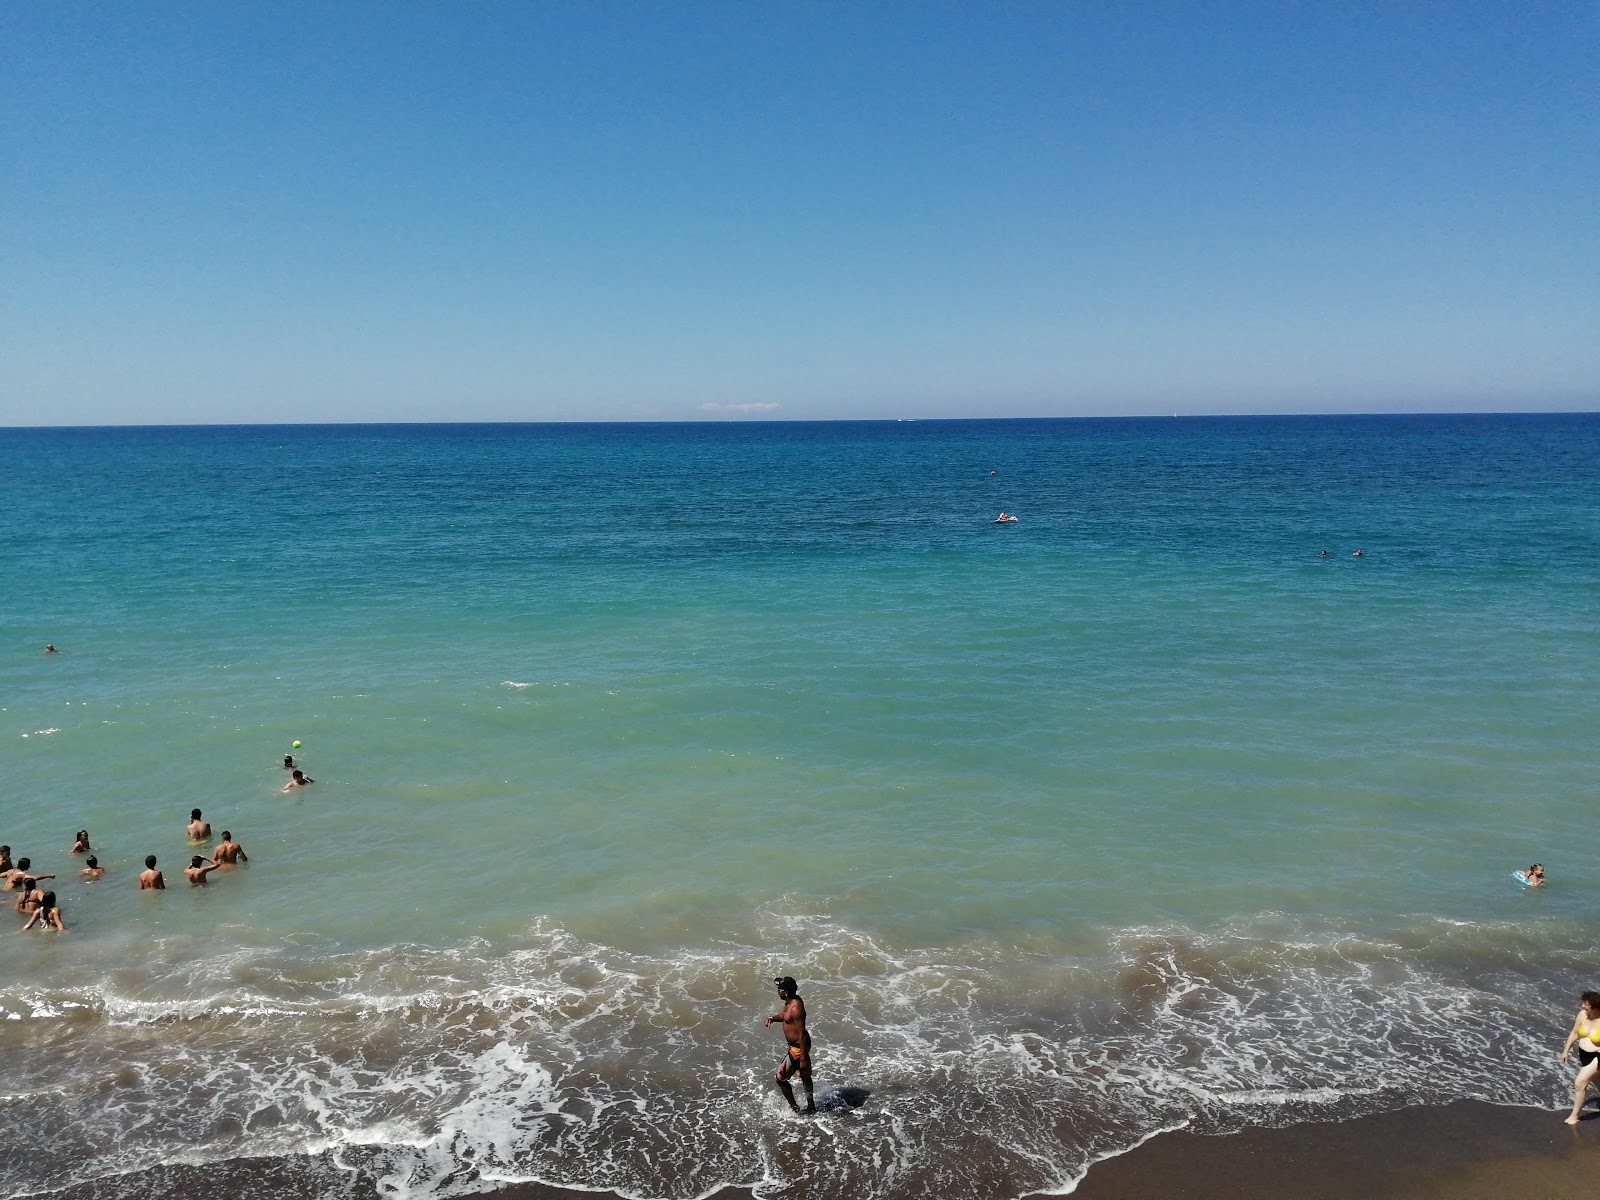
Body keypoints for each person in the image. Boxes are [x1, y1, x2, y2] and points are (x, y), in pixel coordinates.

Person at [765, 975, 815, 1114]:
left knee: (780, 1079)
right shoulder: (789, 1002)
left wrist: (804, 1057)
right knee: (805, 1076)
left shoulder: (796, 1007)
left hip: (799, 1048)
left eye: (779, 990)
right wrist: (772, 1018)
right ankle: (811, 1107)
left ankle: (795, 1109)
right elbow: (784, 1016)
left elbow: (802, 1034)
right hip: (796, 1047)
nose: (777, 992)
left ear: (786, 992)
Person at [1561, 991, 1600, 1123]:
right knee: (1597, 1081)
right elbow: (1574, 1033)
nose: (1583, 1006)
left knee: (1579, 1083)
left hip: (1598, 1057)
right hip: (1584, 1055)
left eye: (1586, 1004)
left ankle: (1574, 1117)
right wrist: (1566, 1050)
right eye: (1583, 1003)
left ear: (1595, 1006)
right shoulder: (1582, 1015)